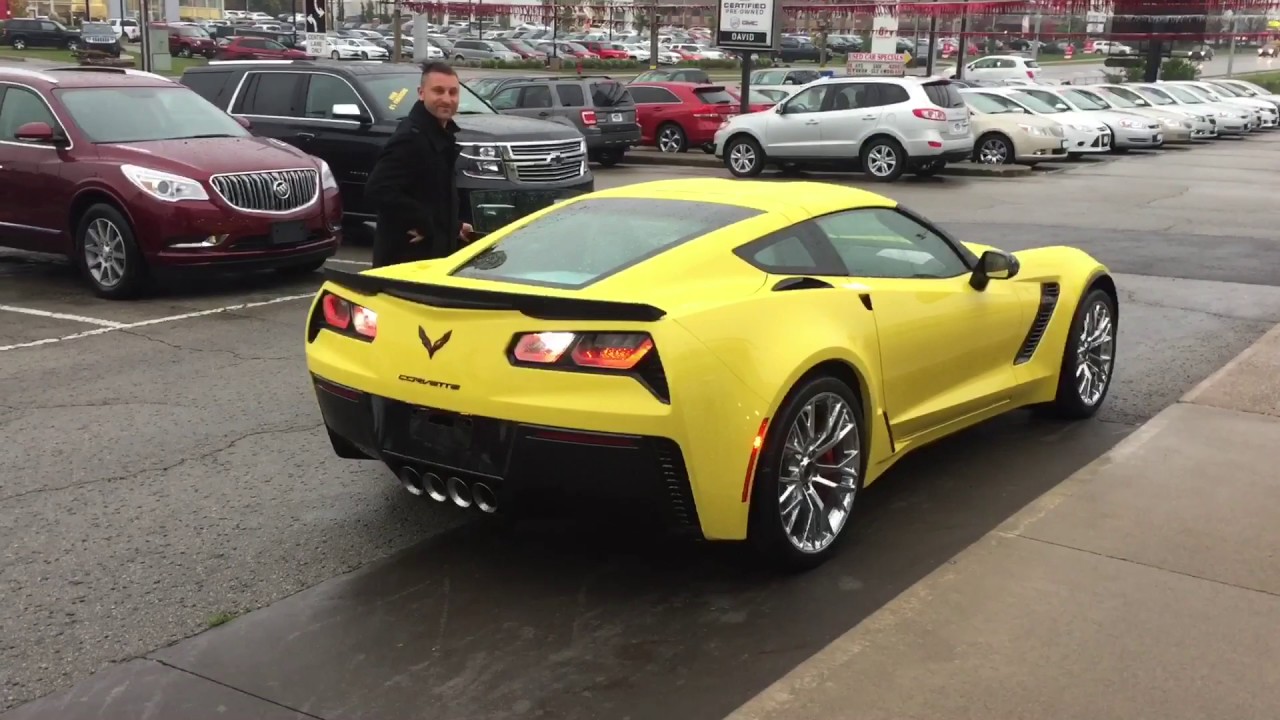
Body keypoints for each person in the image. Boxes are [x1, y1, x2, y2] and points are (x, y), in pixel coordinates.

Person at [364, 61, 473, 268]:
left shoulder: (442, 134)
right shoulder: (411, 137)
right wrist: (422, 223)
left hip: (434, 257)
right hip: (409, 261)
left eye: (453, 92)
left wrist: (454, 227)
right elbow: (378, 189)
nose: (447, 99)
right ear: (421, 93)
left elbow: (432, 196)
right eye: (438, 91)